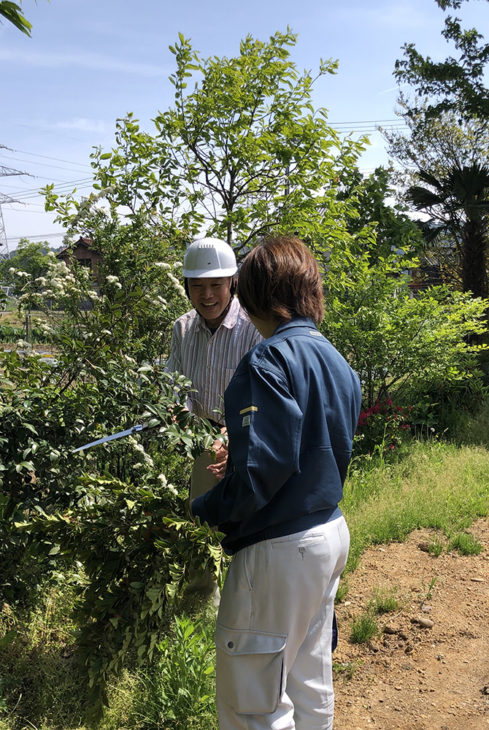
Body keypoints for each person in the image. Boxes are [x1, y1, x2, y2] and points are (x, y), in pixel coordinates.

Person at [191, 234, 362, 729]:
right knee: (309, 679)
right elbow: (309, 447)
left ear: (252, 295)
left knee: (255, 702)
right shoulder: (335, 360)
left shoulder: (265, 362)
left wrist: (204, 509)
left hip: (278, 549)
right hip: (328, 532)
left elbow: (260, 475)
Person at [165, 236, 262, 493]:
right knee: (203, 520)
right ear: (187, 286)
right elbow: (174, 384)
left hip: (248, 440)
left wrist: (232, 435)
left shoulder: (253, 328)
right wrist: (176, 412)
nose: (206, 295)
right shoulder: (183, 328)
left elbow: (262, 396)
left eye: (216, 284)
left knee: (247, 523)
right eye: (197, 286)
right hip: (205, 443)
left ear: (232, 283)